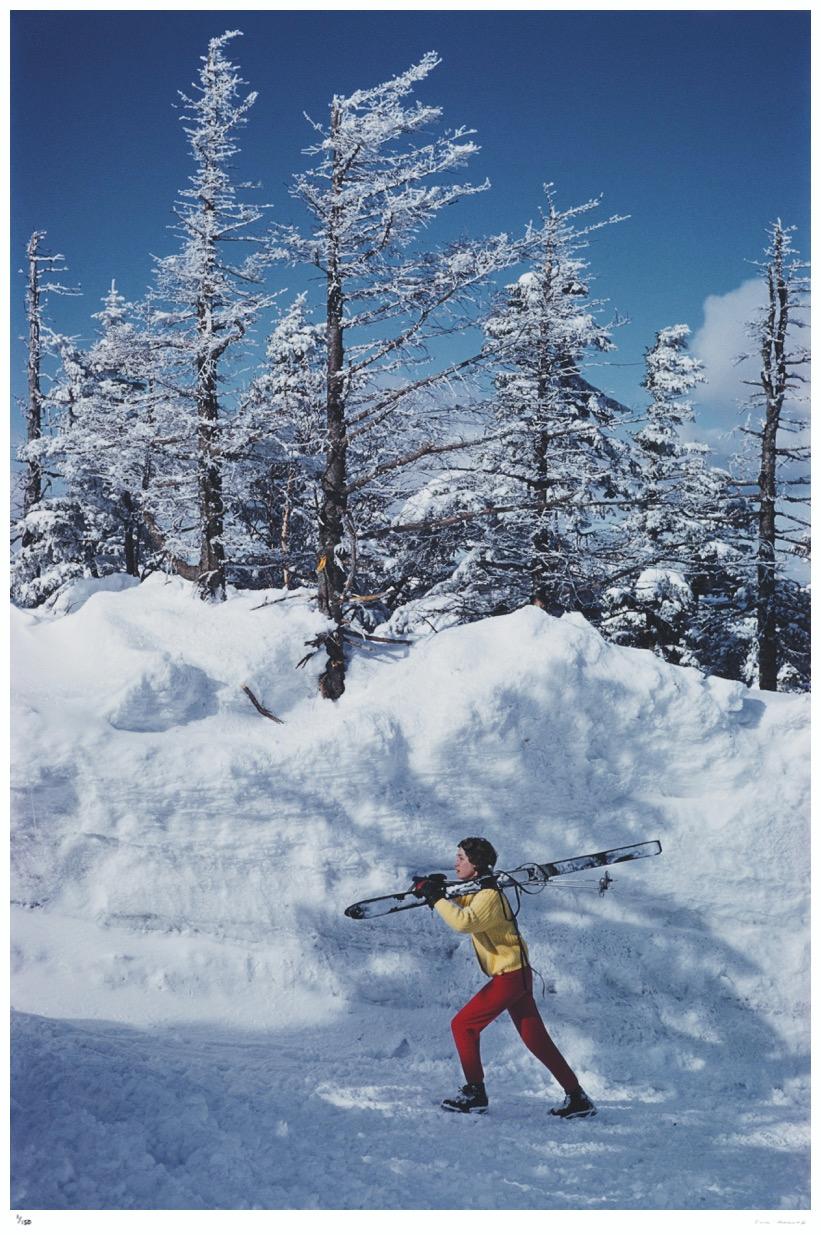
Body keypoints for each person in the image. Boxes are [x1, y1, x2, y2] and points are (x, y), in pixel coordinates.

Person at [413, 836, 596, 1118]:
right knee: (536, 1039)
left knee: (463, 1025)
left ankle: (475, 1093)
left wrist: (436, 898)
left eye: (461, 857)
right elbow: (465, 902)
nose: (455, 862)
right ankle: (578, 1099)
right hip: (516, 974)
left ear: (476, 863)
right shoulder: (482, 890)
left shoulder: (489, 895)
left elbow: (465, 921)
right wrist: (438, 889)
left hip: (510, 977)